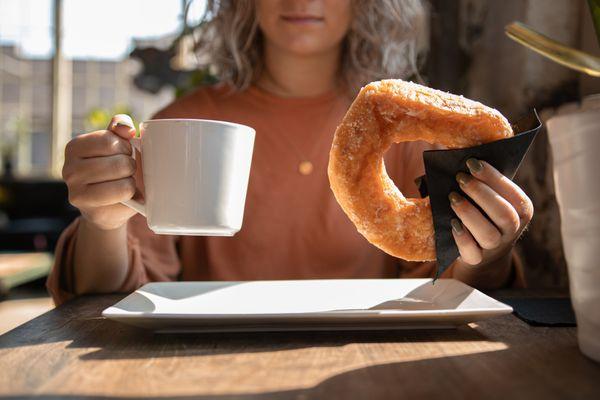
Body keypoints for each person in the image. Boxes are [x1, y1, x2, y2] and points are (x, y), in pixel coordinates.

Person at [48, 0, 532, 305]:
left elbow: (442, 288)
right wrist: (103, 220)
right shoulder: (185, 124)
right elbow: (108, 295)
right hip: (203, 361)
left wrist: (486, 252)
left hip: (367, 362)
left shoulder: (405, 128)